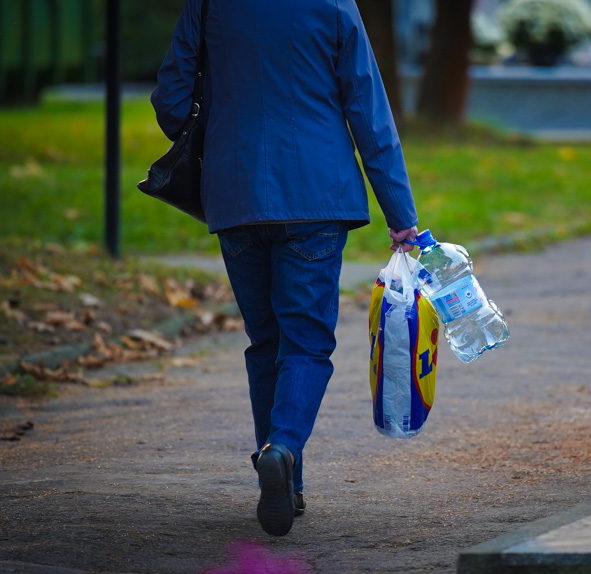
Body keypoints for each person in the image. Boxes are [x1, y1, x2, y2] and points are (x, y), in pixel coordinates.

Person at [151, 0, 419, 536]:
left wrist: (226, 127)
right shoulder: (334, 4)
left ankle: (284, 478)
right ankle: (284, 450)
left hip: (234, 192)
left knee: (266, 343)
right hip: (317, 195)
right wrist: (401, 215)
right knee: (306, 343)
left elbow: (172, 100)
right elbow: (368, 110)